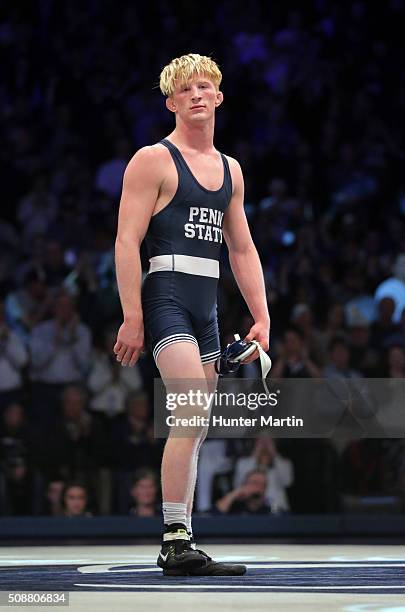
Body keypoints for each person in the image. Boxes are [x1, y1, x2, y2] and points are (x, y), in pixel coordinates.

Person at [114, 54, 270, 576]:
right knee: (189, 412)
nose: (197, 95)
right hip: (166, 296)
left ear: (219, 97)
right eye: (186, 91)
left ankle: (183, 537)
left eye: (205, 87)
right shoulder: (152, 160)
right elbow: (126, 239)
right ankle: (174, 540)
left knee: (198, 424)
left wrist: (262, 318)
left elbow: (242, 249)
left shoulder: (231, 170)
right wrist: (132, 315)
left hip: (207, 302)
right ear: (172, 103)